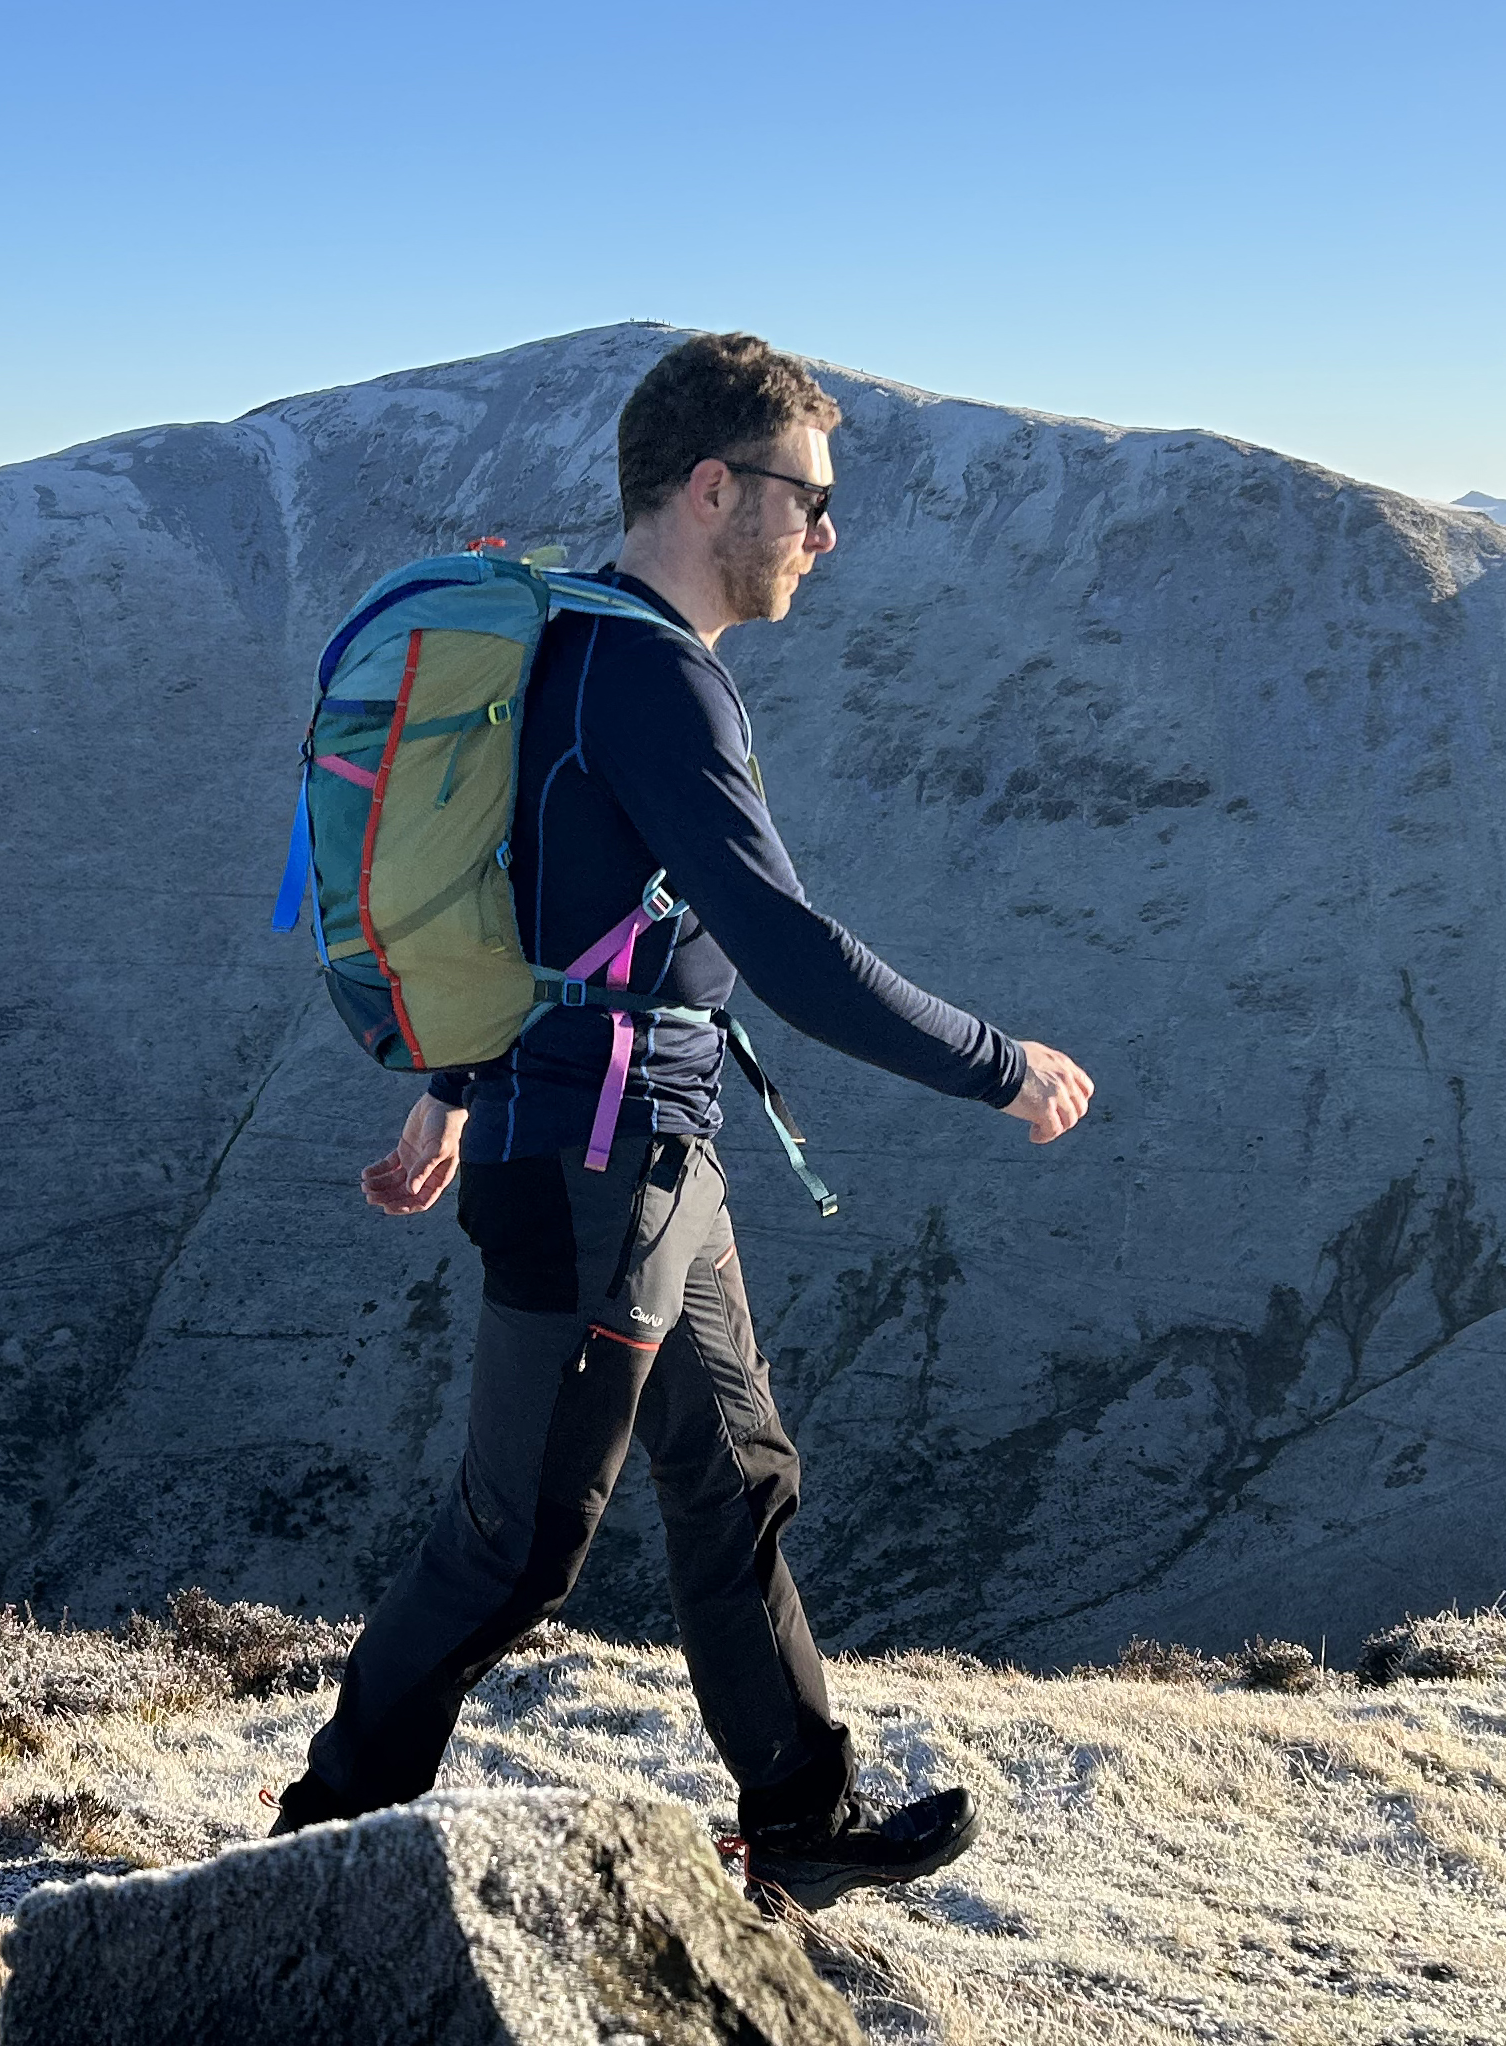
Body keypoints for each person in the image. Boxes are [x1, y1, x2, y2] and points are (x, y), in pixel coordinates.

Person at [272, 333, 1096, 1909]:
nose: (825, 533)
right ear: (713, 487)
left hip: (638, 1146)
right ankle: (316, 1845)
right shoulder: (646, 670)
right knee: (515, 1544)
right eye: (807, 497)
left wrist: (450, 1090)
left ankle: (796, 1810)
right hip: (595, 1163)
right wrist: (1001, 1063)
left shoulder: (582, 646)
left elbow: (536, 901)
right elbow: (783, 950)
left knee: (733, 1471)